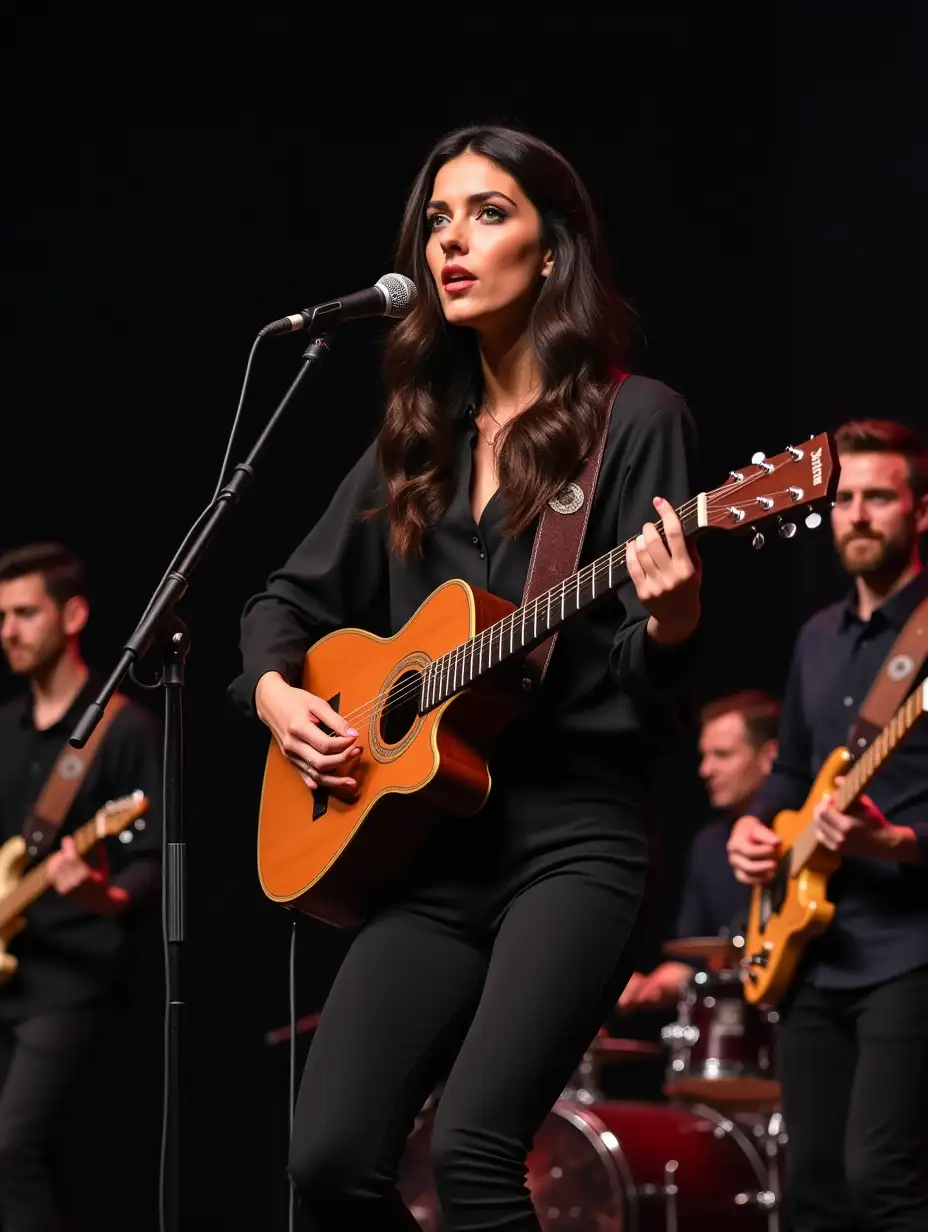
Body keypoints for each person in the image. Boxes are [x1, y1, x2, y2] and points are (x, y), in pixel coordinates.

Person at [230, 125, 702, 1231]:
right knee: (330, 1158)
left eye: (489, 214)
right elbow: (281, 605)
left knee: (475, 1152)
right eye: (438, 218)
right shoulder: (419, 436)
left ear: (551, 254)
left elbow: (646, 693)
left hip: (572, 841)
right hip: (432, 847)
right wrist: (275, 694)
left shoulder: (635, 420)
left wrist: (672, 620)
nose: (451, 240)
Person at [727, 419, 928, 1232]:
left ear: (921, 510)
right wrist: (756, 827)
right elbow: (788, 775)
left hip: (910, 951)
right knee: (810, 1188)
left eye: (878, 496)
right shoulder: (815, 638)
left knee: (881, 1179)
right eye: (843, 498)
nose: (856, 514)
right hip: (811, 950)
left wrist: (897, 844)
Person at [0, 543, 162, 1231]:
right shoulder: (2, 730)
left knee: (11, 1149)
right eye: (2, 615)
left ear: (73, 615)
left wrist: (98, 893)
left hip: (70, 982)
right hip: (10, 970)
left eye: (25, 612)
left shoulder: (123, 729)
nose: (8, 629)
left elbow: (149, 865)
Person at [618, 689, 779, 1012]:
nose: (705, 770)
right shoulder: (707, 844)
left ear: (769, 757)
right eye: (704, 756)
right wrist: (650, 986)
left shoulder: (808, 830)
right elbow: (693, 957)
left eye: (722, 754)